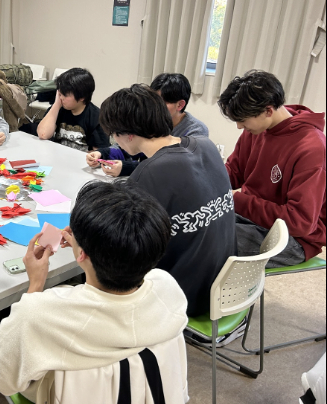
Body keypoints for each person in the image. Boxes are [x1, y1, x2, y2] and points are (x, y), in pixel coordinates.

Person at [0, 181, 189, 403]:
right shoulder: (168, 288)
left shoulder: (40, 314)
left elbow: (1, 377)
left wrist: (35, 285)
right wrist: (84, 244)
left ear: (81, 254)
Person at [99, 84, 236, 319]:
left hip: (185, 294)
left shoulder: (149, 173)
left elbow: (125, 247)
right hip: (227, 284)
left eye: (114, 135)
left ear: (128, 134)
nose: (115, 141)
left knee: (101, 263)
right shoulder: (205, 144)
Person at [218, 70, 326, 267]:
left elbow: (300, 222)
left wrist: (238, 199)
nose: (239, 127)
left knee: (207, 242)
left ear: (268, 110)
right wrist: (203, 179)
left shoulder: (311, 147)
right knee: (194, 222)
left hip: (294, 239)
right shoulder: (256, 129)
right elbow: (234, 172)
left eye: (243, 119)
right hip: (253, 217)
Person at [87, 73, 209, 177]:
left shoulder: (196, 132)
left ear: (180, 105)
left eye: (161, 101)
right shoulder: (150, 121)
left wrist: (127, 168)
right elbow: (130, 146)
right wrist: (102, 154)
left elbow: (170, 169)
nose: (154, 105)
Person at [36, 68, 109, 152]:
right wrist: (56, 104)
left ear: (82, 97)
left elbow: (100, 152)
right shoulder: (60, 108)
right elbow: (43, 134)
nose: (61, 97)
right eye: (60, 93)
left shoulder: (96, 117)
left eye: (65, 95)